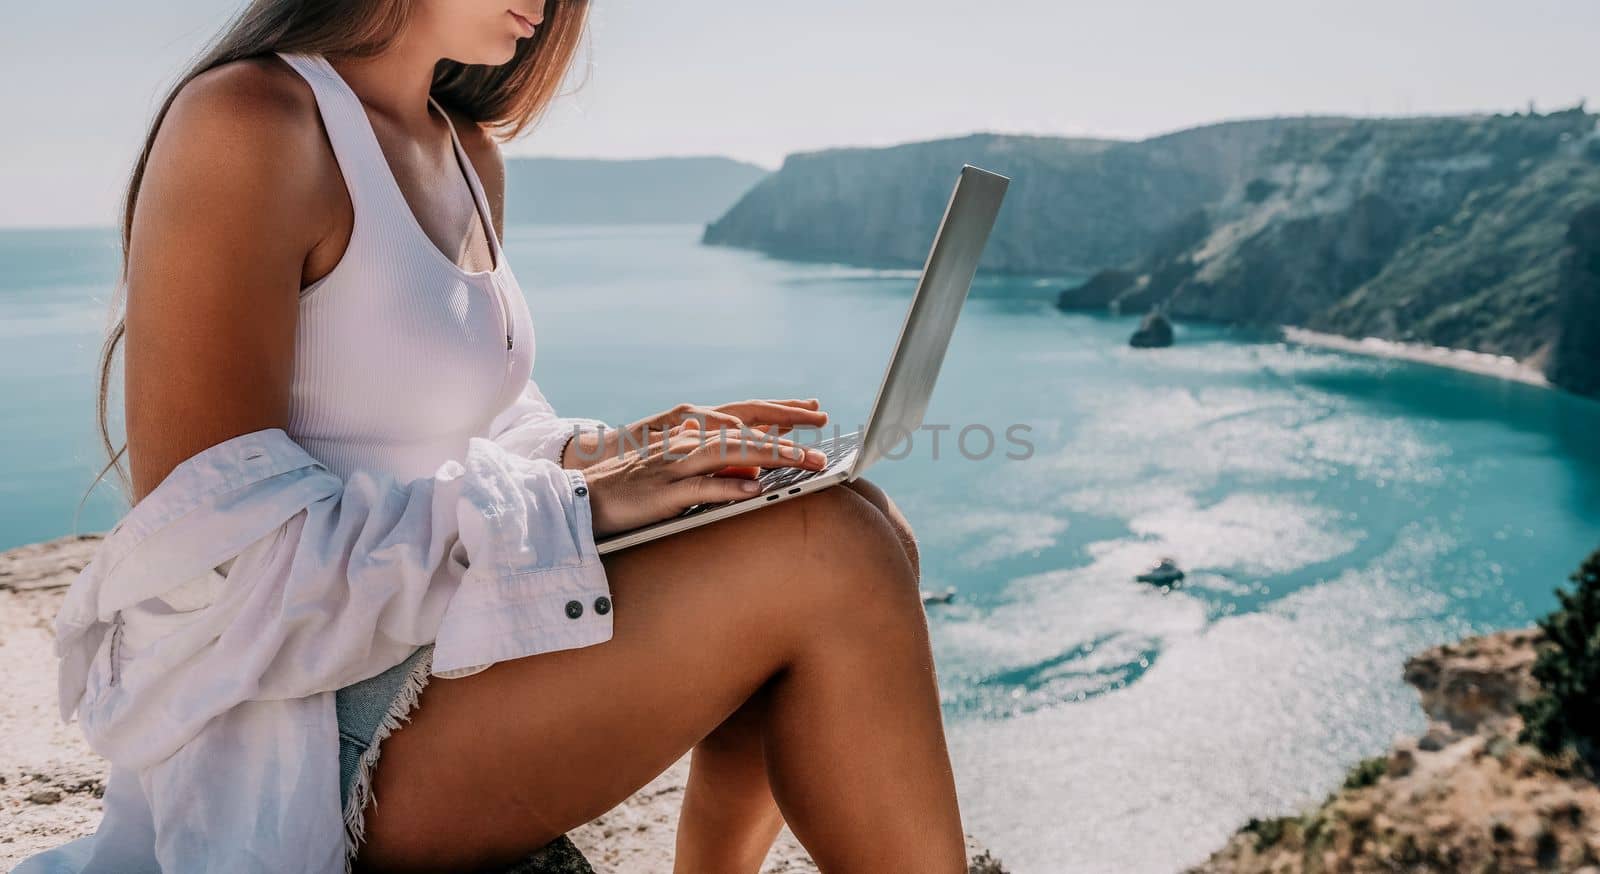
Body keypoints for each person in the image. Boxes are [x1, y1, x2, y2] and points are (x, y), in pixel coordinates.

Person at [46, 1, 967, 872]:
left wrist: (618, 456)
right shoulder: (251, 120)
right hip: (297, 737)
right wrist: (575, 507)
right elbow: (211, 548)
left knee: (848, 511)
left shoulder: (465, 153)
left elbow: (468, 428)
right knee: (829, 550)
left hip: (452, 650)